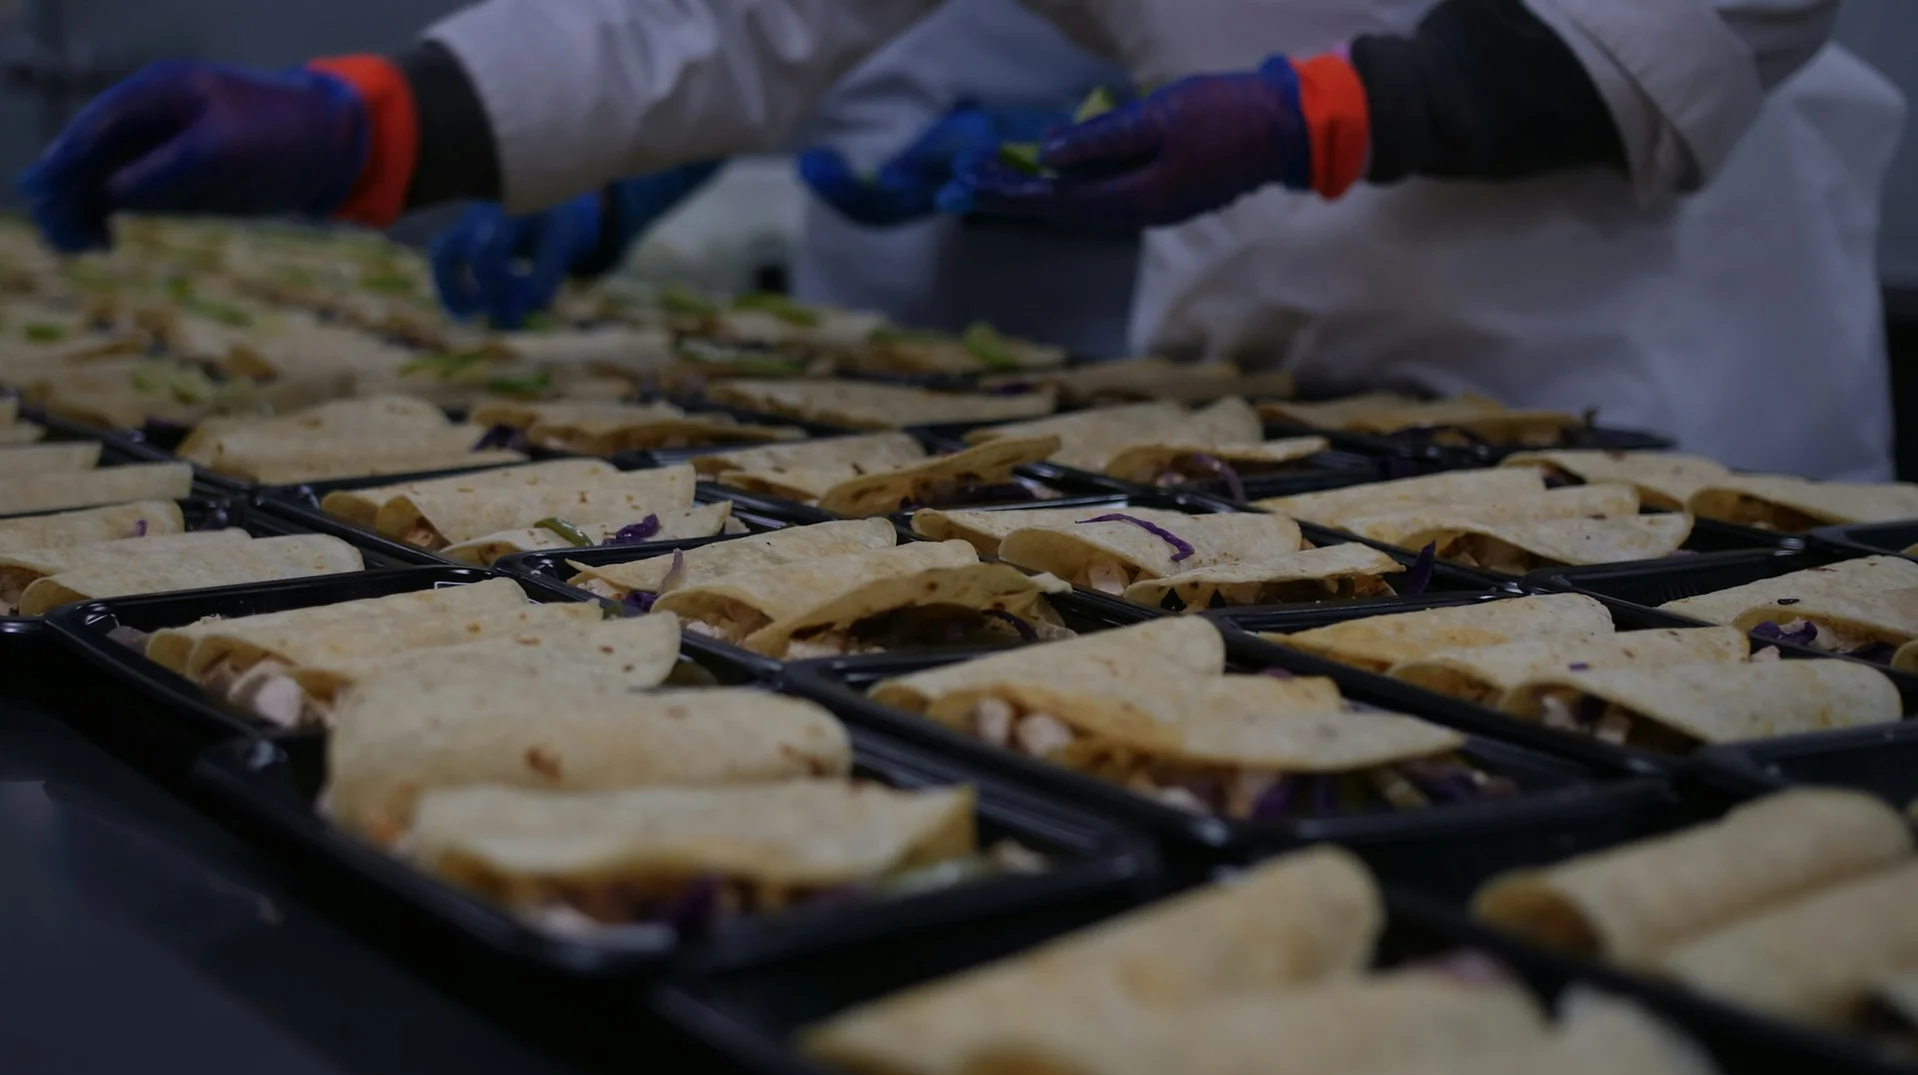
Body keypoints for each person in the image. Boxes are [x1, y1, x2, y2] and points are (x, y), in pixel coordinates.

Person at [16, 0, 1899, 476]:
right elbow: (714, 16)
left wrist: (1326, 103)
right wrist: (380, 114)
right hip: (1256, 328)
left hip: (1655, 316)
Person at [427, 0, 1138, 355]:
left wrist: (1053, 147)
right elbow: (749, 47)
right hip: (852, 312)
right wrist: (611, 190)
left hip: (1081, 318)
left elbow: (1220, 71)